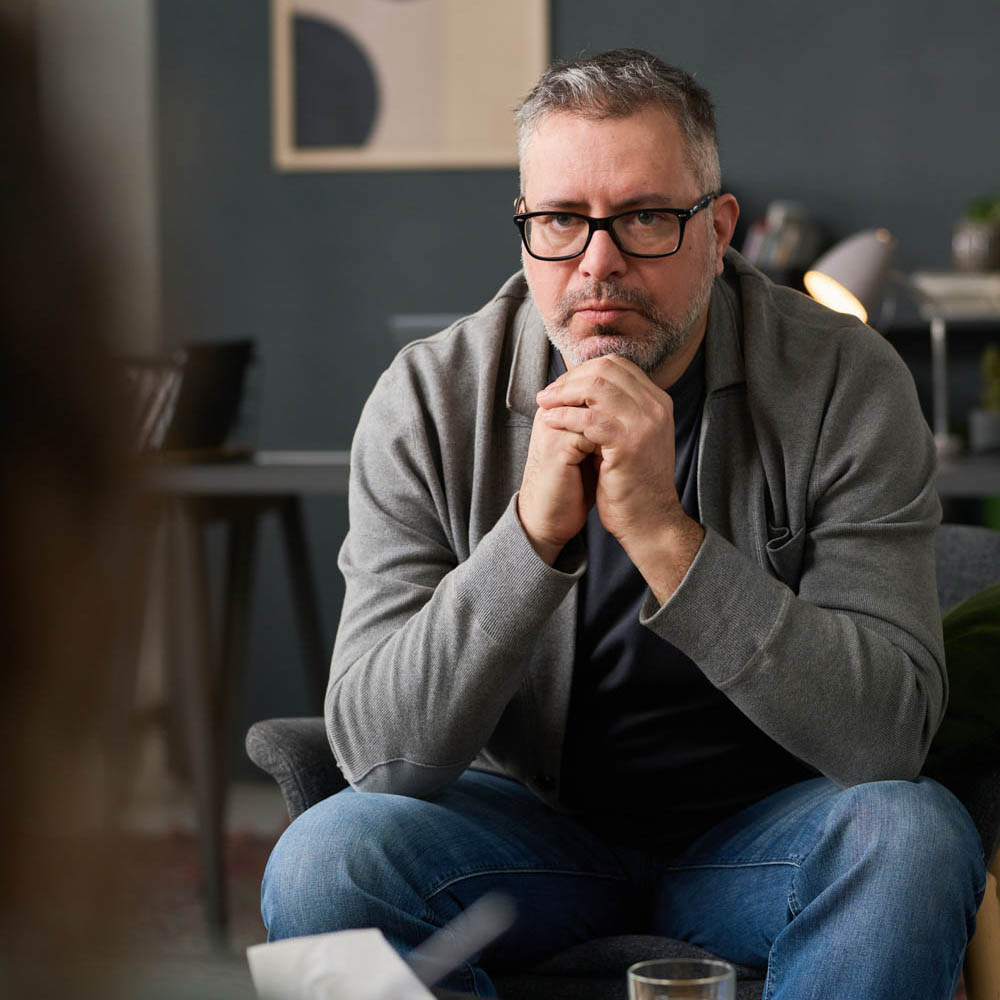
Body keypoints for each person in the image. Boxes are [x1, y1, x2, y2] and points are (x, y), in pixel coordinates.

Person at [262, 49, 985, 998]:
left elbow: (885, 740)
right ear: (525, 233)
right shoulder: (431, 397)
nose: (598, 263)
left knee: (912, 834)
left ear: (719, 229)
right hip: (518, 837)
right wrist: (528, 538)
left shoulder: (845, 382)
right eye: (562, 219)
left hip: (771, 837)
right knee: (319, 864)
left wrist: (664, 534)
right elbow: (374, 753)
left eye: (646, 217)